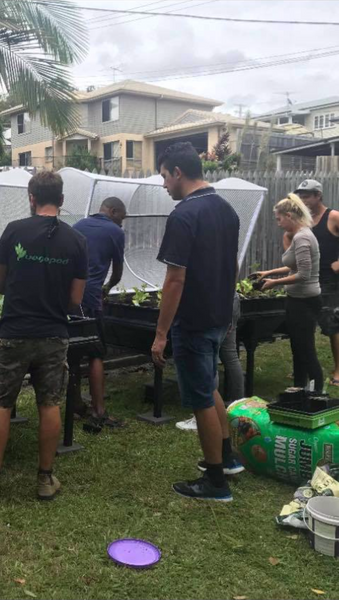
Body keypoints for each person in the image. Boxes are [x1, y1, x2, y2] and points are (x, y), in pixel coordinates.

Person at [0, 171, 88, 507]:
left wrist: (22, 289)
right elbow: (76, 299)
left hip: (15, 332)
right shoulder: (76, 241)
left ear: (31, 199)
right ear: (61, 200)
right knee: (49, 403)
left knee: (1, 403)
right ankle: (46, 480)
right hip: (54, 333)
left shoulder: (15, 231)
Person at [152, 141, 242, 502]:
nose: (163, 185)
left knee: (201, 396)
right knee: (211, 386)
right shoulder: (226, 209)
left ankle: (215, 481)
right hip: (221, 314)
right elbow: (232, 266)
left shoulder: (184, 215)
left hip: (194, 319)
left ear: (178, 173)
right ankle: (228, 457)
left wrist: (160, 335)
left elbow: (175, 279)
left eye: (164, 177)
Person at [256, 194, 323, 393]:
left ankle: (318, 392)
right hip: (298, 300)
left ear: (289, 216)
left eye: (279, 219)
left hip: (304, 302)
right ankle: (299, 388)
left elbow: (303, 274)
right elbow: (294, 267)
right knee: (297, 346)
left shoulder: (303, 237)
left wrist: (273, 283)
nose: (278, 224)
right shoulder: (301, 234)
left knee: (306, 349)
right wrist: (269, 272)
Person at [72, 197, 127, 428]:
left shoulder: (77, 226)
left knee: (73, 350)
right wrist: (107, 288)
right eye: (121, 219)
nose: (121, 224)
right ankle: (98, 412)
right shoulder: (115, 232)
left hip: (69, 297)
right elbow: (117, 272)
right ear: (113, 211)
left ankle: (75, 404)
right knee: (96, 353)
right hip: (91, 297)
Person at [176, 292, 244, 432]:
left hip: (211, 303)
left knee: (208, 358)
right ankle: (240, 410)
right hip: (231, 298)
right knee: (230, 355)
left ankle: (205, 415)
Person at [294, 179, 339, 386]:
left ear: (318, 195)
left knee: (333, 325)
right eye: (301, 196)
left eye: (307, 195)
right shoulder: (304, 221)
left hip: (330, 280)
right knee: (305, 324)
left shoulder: (333, 216)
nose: (303, 199)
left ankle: (338, 370)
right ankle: (307, 367)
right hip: (310, 278)